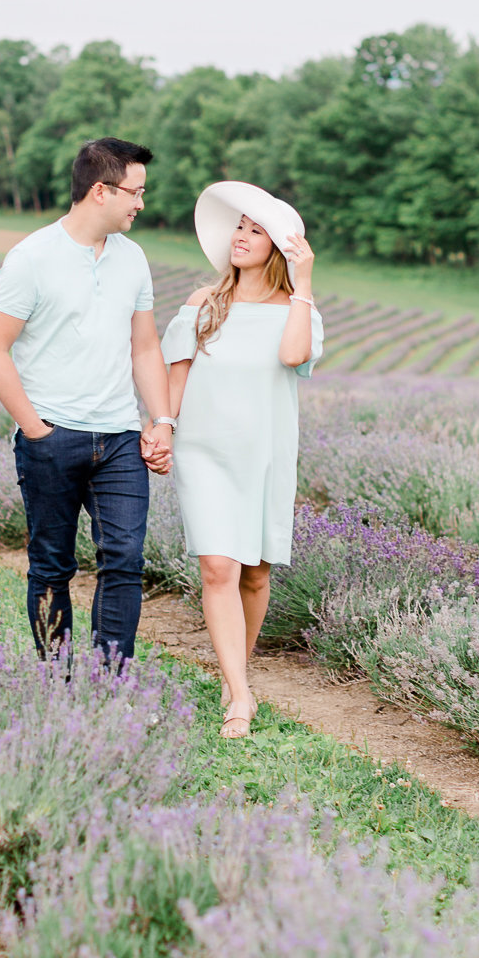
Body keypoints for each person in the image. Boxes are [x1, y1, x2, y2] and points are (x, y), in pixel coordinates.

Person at [0, 138, 175, 665]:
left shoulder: (133, 259)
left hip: (119, 438)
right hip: (52, 436)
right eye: (135, 192)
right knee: (51, 566)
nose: (141, 203)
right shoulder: (31, 257)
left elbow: (146, 346)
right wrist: (35, 429)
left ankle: (112, 682)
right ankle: (58, 683)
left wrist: (161, 421)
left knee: (125, 561)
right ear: (100, 191)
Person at [161, 181, 322, 736]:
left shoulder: (297, 311)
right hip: (203, 450)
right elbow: (176, 373)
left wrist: (303, 284)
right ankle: (241, 700)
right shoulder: (201, 304)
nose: (242, 237)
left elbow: (294, 355)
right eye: (240, 227)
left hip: (265, 452)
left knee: (255, 573)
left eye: (257, 231)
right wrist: (162, 428)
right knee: (219, 566)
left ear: (278, 247)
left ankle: (235, 679)